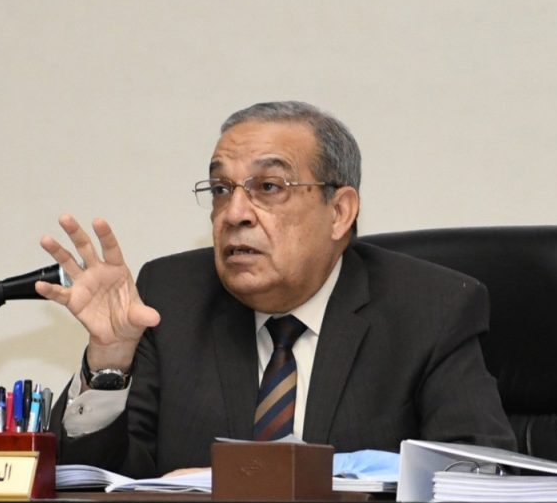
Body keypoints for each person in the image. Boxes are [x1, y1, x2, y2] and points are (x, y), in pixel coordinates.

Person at [36, 101, 515, 478]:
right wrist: (109, 364)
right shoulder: (172, 298)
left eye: (268, 187)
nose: (234, 213)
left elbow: (475, 480)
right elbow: (96, 485)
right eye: (221, 189)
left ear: (339, 212)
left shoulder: (430, 309)